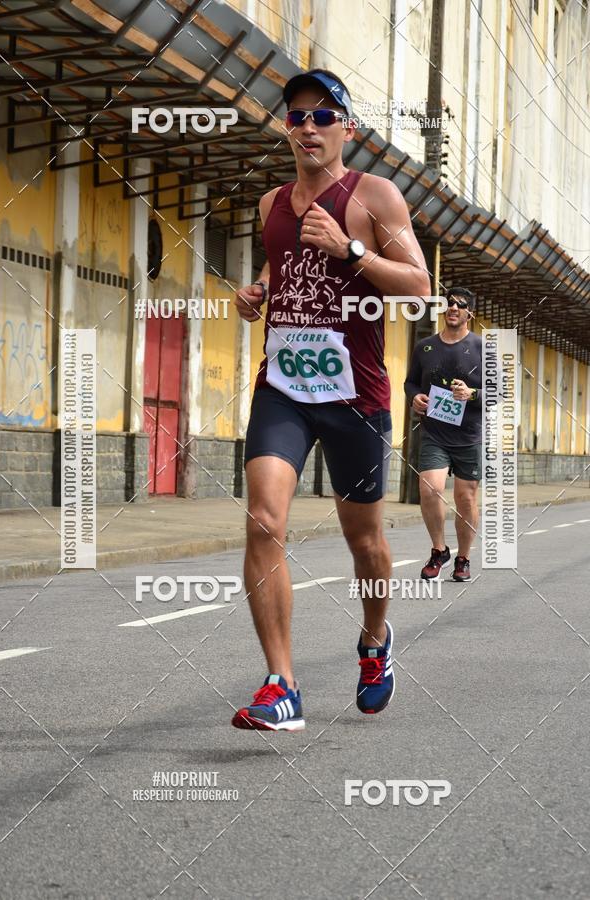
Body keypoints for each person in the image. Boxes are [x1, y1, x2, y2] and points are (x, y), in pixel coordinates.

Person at [232, 68, 430, 730]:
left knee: (366, 542)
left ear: (348, 127)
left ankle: (375, 640)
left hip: (355, 394)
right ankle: (281, 685)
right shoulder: (270, 205)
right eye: (297, 116)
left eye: (324, 116)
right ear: (286, 128)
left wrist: (350, 250)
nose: (309, 127)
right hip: (283, 387)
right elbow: (282, 266)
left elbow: (418, 287)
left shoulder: (375, 196)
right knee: (263, 519)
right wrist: (257, 291)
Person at [403, 287, 482, 583]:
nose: (453, 308)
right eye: (449, 303)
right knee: (430, 489)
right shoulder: (425, 346)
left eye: (460, 305)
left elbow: (499, 392)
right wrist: (415, 398)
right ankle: (439, 550)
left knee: (465, 498)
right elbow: (410, 383)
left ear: (469, 314)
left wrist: (471, 393)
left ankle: (463, 558)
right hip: (435, 433)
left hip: (469, 437)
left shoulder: (481, 348)